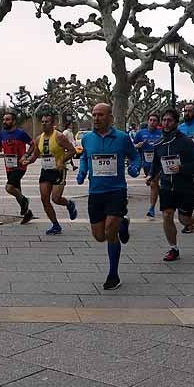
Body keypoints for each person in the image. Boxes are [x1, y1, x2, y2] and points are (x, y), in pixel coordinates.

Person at [77, 103, 141, 289]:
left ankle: (113, 275)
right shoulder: (87, 139)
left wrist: (135, 168)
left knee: (109, 232)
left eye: (100, 115)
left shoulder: (122, 138)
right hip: (95, 193)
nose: (96, 118)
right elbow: (84, 157)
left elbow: (135, 156)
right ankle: (123, 223)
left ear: (110, 118)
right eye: (94, 114)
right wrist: (82, 171)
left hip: (116, 191)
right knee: (99, 236)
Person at [149, 108, 194, 262]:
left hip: (185, 186)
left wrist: (182, 168)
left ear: (176, 122)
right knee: (167, 215)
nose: (166, 123)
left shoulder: (186, 142)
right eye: (164, 120)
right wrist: (151, 176)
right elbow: (156, 164)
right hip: (167, 186)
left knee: (184, 220)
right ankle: (173, 248)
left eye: (169, 120)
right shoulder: (159, 143)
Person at [22, 112, 79, 235]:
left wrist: (61, 161)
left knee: (56, 198)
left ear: (53, 124)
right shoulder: (39, 138)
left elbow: (72, 151)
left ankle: (69, 204)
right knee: (44, 199)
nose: (43, 124)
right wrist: (27, 161)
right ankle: (55, 225)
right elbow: (36, 154)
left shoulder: (59, 136)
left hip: (58, 171)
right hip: (46, 171)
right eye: (42, 121)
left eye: (46, 122)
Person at [0, 112, 35, 224]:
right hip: (9, 167)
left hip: (20, 166)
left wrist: (26, 156)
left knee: (9, 187)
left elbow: (33, 144)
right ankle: (27, 213)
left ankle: (25, 200)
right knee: (17, 191)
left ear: (14, 121)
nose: (4, 122)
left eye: (7, 119)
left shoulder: (21, 133)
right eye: (4, 119)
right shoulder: (2, 134)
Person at [133, 114, 163, 218]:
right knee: (153, 184)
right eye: (150, 120)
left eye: (154, 120)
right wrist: (138, 145)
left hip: (159, 163)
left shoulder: (161, 133)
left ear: (158, 122)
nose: (152, 122)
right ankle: (161, 197)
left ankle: (151, 208)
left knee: (154, 183)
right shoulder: (141, 133)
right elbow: (133, 145)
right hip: (146, 163)